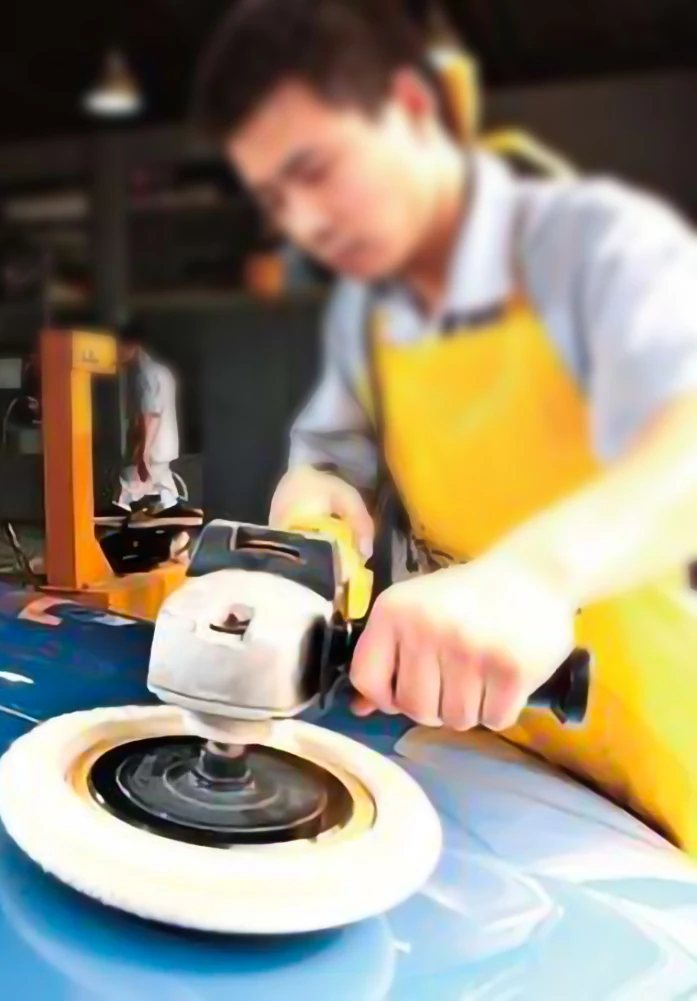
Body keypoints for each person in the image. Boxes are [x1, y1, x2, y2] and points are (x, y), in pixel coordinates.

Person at [194, 0, 697, 850]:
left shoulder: (595, 244)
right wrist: (312, 504)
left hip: (665, 766)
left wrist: (532, 578)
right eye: (276, 196)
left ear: (412, 109)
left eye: (315, 168)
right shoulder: (369, 313)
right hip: (492, 749)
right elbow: (330, 463)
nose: (303, 223)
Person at [95, 326, 203, 529]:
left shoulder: (146, 375)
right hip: (165, 444)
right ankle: (172, 515)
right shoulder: (161, 371)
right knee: (161, 486)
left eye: (119, 349)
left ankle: (119, 516)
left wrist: (142, 452)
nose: (117, 355)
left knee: (130, 481)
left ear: (132, 346)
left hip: (153, 446)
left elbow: (150, 415)